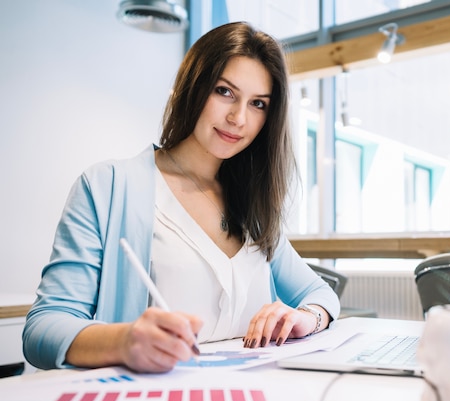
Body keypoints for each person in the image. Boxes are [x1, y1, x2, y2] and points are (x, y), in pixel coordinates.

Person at [22, 21, 340, 373]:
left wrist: (306, 318)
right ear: (193, 87)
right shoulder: (107, 185)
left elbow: (321, 294)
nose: (238, 118)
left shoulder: (255, 207)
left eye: (258, 103)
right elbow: (43, 328)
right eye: (224, 91)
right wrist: (124, 341)